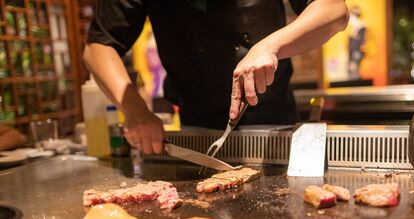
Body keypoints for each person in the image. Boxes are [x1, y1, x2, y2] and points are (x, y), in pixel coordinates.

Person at [84, 0, 349, 155]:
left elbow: (334, 11)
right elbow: (99, 46)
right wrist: (134, 108)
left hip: (276, 130)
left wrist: (270, 46)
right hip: (196, 133)